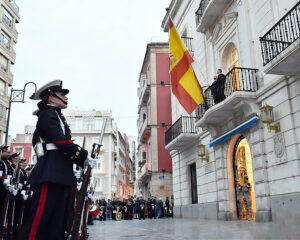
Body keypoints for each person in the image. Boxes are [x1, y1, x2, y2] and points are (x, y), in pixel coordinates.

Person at [20, 80, 97, 240]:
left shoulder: (57, 115)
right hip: (50, 172)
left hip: (60, 172)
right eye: (62, 95)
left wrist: (76, 164)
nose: (66, 98)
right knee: (40, 219)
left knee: (57, 222)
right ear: (51, 98)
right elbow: (60, 141)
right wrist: (83, 156)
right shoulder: (47, 115)